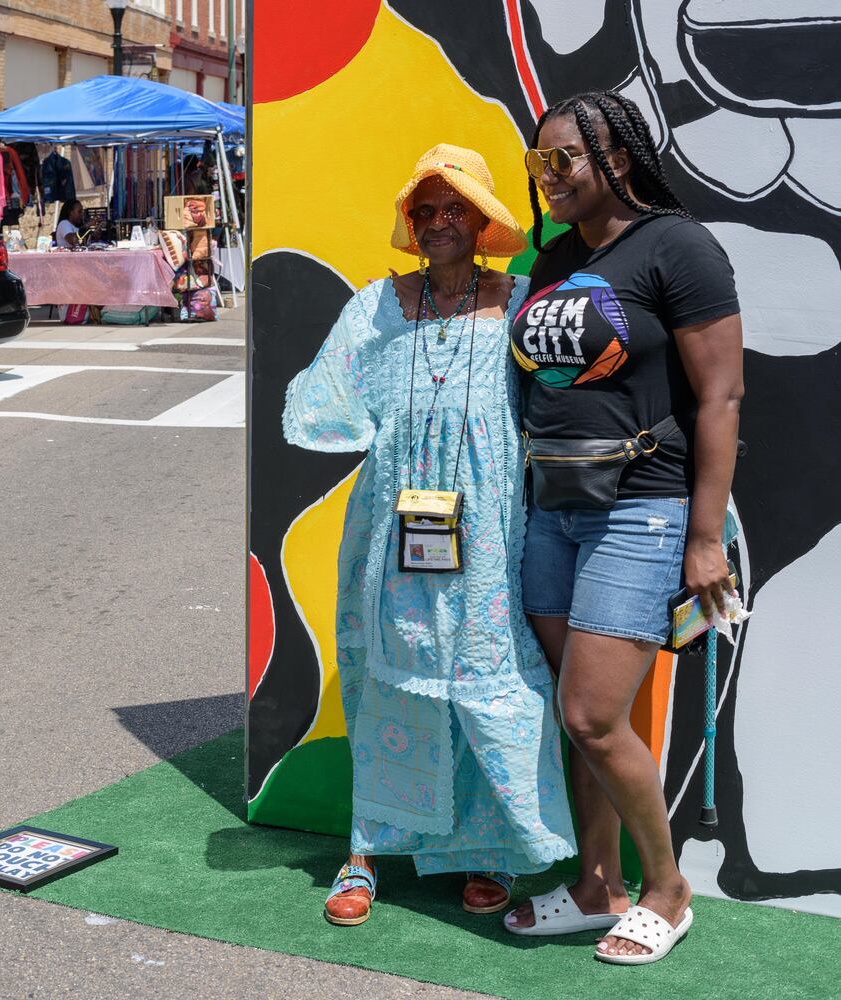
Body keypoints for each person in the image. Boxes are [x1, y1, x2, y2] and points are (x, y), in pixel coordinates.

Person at [283, 145, 576, 927]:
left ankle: (484, 850)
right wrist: (378, 433)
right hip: (396, 526)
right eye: (425, 210)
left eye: (456, 209)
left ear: (483, 221)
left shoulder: (519, 301)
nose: (440, 223)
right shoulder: (376, 305)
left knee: (491, 673)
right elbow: (325, 395)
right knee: (387, 677)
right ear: (408, 224)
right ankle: (366, 850)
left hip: (494, 528)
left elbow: (570, 397)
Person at [504, 92, 743, 966]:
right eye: (541, 162)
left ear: (620, 159)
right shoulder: (554, 257)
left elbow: (719, 396)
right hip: (555, 509)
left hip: (643, 507)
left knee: (593, 712)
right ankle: (593, 883)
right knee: (578, 717)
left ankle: (667, 889)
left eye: (566, 158)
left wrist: (705, 535)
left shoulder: (677, 246)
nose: (551, 175)